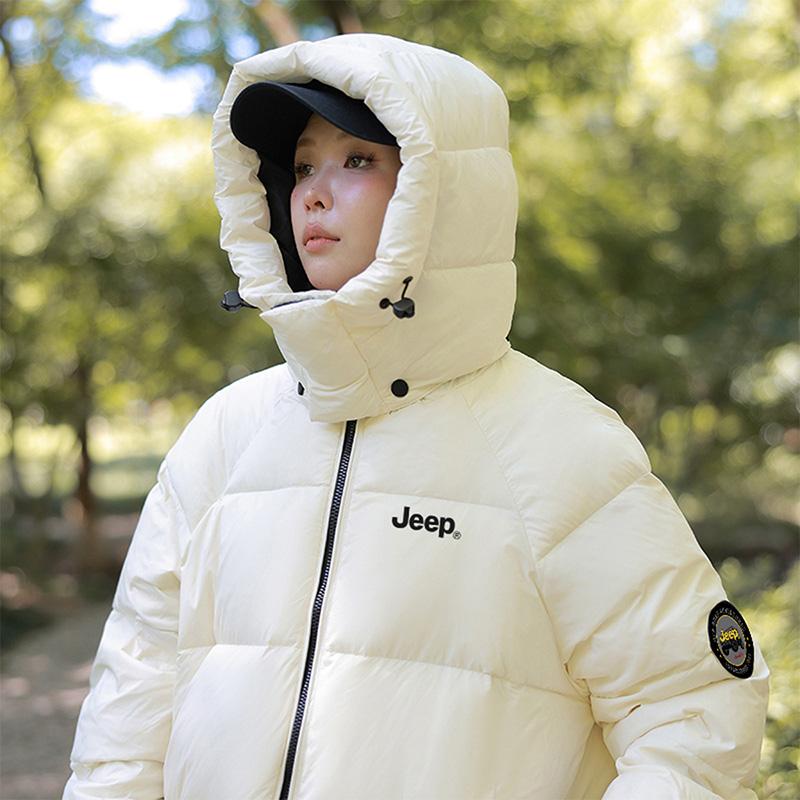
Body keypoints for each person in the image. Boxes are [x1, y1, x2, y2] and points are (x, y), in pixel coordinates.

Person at [63, 32, 769, 800]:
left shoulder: (560, 446)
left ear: (444, 194)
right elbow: (128, 713)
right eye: (303, 165)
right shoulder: (224, 434)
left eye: (357, 160)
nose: (313, 194)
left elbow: (695, 719)